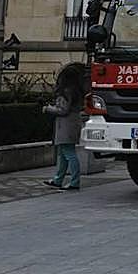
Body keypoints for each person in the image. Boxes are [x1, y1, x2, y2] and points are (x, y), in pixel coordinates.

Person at [43, 62, 89, 190]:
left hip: (65, 125)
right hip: (73, 122)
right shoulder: (77, 91)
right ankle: (58, 178)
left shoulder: (65, 92)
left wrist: (48, 108)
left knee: (68, 154)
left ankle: (74, 181)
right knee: (63, 154)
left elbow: (62, 110)